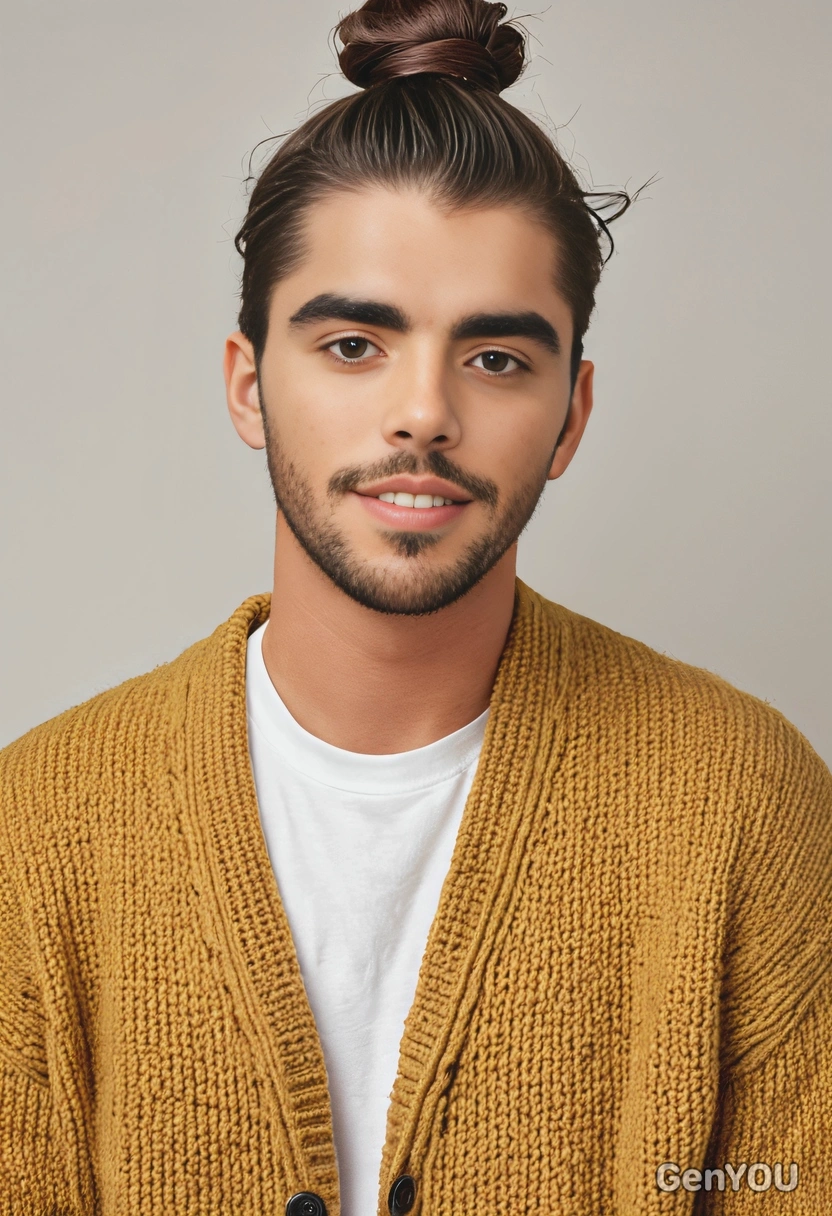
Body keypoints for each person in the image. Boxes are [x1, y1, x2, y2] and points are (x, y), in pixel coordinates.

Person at [1, 0, 830, 1212]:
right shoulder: (37, 834)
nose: (423, 412)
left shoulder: (747, 807)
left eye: (496, 357)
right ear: (248, 385)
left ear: (571, 416)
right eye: (352, 344)